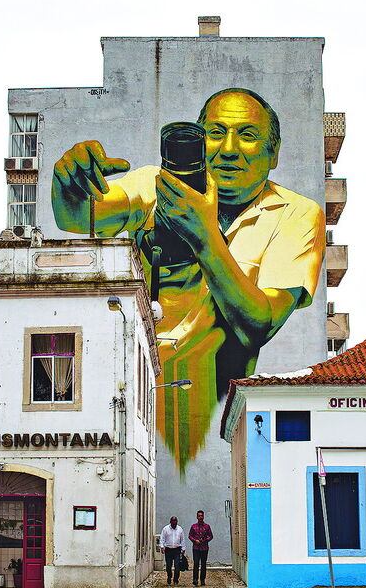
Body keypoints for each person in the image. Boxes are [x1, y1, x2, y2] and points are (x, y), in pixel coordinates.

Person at [52, 88, 325, 469]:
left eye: (247, 135)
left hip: (219, 415)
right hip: (138, 401)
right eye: (215, 132)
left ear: (273, 152)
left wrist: (203, 235)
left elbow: (258, 324)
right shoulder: (154, 185)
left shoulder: (297, 213)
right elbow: (78, 217)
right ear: (198, 141)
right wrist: (68, 183)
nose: (228, 149)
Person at [187, 510, 213, 586]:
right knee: (196, 563)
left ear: (203, 516)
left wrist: (205, 540)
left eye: (201, 516)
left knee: (203, 564)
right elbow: (190, 536)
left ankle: (202, 579)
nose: (200, 517)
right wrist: (195, 540)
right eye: (199, 516)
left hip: (204, 548)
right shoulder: (193, 526)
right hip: (196, 548)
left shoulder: (207, 526)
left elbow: (211, 536)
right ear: (197, 517)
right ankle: (195, 579)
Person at [159, 516, 186, 585]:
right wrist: (162, 547)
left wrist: (183, 548)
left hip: (177, 550)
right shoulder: (165, 529)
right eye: (173, 521)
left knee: (177, 566)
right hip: (168, 550)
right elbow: (162, 538)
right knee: (168, 566)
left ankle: (176, 579)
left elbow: (182, 539)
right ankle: (169, 576)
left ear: (177, 521)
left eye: (175, 521)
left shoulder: (180, 529)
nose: (174, 522)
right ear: (170, 521)